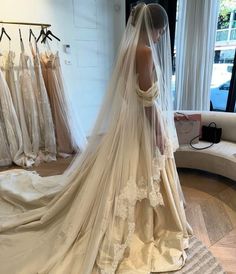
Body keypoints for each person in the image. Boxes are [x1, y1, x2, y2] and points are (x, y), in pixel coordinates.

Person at [0, 3, 193, 274]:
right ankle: (150, 224)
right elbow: (147, 101)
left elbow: (131, 94)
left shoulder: (127, 49)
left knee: (118, 173)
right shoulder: (146, 52)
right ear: (153, 27)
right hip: (142, 123)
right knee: (141, 172)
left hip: (129, 120)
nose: (160, 37)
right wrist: (159, 133)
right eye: (160, 31)